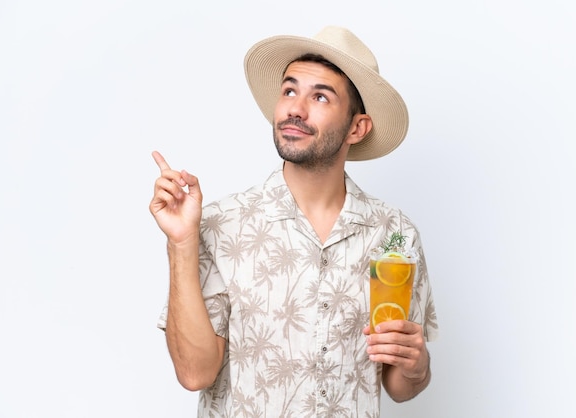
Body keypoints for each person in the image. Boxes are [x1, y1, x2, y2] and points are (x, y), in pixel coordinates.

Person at [149, 25, 438, 417]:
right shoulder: (222, 225)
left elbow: (398, 385)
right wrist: (181, 243)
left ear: (357, 127)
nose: (295, 109)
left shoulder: (394, 235)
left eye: (320, 96)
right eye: (289, 90)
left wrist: (417, 367)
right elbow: (195, 373)